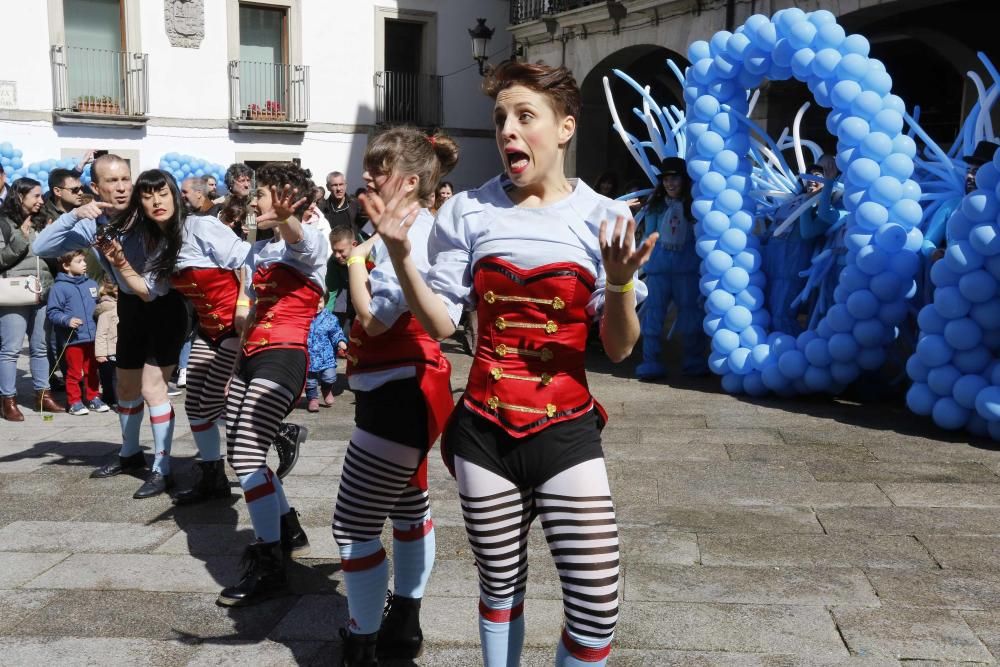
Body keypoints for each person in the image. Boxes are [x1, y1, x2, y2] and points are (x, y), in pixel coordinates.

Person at [358, 61, 653, 667]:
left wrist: (621, 286)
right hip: (484, 429)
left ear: (565, 128)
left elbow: (619, 347)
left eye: (525, 117)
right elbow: (441, 324)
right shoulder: (469, 211)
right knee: (499, 588)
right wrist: (399, 255)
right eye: (500, 119)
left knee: (597, 605)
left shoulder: (605, 217)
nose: (508, 131)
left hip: (566, 427)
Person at [333, 127, 458, 664]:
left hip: (398, 388)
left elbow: (373, 318)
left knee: (353, 523)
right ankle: (403, 624)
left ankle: (362, 640)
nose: (367, 177)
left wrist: (357, 263)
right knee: (409, 506)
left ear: (408, 182)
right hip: (411, 388)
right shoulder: (417, 226)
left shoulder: (402, 235)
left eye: (378, 169)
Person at [33, 159, 186, 499]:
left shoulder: (147, 213)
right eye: (112, 181)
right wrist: (75, 215)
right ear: (96, 188)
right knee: (126, 385)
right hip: (130, 307)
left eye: (125, 179)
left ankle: (163, 468)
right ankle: (130, 454)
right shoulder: (94, 223)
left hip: (164, 304)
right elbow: (40, 248)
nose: (121, 187)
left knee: (153, 388)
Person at [216, 162, 325, 607]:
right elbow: (251, 312)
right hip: (251, 356)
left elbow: (301, 241)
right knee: (241, 451)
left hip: (284, 356)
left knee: (244, 455)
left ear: (287, 200)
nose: (253, 200)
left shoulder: (310, 239)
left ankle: (269, 563)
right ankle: (287, 526)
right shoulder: (260, 250)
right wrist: (232, 368)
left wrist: (287, 218)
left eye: (262, 195)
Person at [635, 157, 705, 379]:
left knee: (690, 314)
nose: (670, 183)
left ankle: (693, 361)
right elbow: (649, 235)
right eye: (666, 179)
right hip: (660, 268)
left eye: (674, 177)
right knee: (654, 315)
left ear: (684, 180)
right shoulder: (656, 205)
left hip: (687, 268)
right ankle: (650, 361)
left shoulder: (695, 206)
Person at [0, 178, 64, 421]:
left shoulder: (41, 221)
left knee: (40, 347)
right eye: (35, 196)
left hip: (42, 291)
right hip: (13, 294)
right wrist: (21, 238)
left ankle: (43, 395)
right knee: (11, 350)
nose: (40, 201)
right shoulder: (3, 223)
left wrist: (54, 240)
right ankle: (8, 400)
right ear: (20, 197)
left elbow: (50, 257)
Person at [763, 162, 836, 334]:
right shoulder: (790, 203)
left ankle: (788, 355)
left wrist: (810, 202)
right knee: (764, 314)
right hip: (768, 266)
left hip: (790, 269)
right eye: (810, 176)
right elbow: (771, 232)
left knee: (781, 316)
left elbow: (807, 232)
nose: (812, 180)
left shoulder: (826, 209)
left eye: (819, 177)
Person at [46, 249, 107, 415]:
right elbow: (53, 312)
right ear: (66, 266)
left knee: (92, 370)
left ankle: (93, 397)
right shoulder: (58, 288)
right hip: (72, 339)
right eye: (79, 261)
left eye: (84, 260)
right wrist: (67, 320)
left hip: (92, 337)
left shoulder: (91, 284)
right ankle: (74, 401)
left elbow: (98, 305)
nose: (84, 264)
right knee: (74, 372)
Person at [304, 297, 347, 412]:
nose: (317, 306)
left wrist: (340, 341)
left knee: (330, 376)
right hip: (308, 356)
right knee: (310, 381)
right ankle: (313, 399)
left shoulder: (330, 318)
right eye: (312, 302)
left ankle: (326, 389)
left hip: (326, 356)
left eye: (320, 302)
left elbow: (336, 333)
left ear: (325, 301)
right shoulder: (303, 318)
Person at [325, 225, 359, 330]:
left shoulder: (369, 260)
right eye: (334, 251)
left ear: (354, 245)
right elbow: (332, 291)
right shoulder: (334, 262)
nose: (337, 255)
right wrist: (326, 318)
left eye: (341, 251)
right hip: (343, 292)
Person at [94, 279, 118, 409]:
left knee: (114, 377)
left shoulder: (121, 305)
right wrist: (100, 353)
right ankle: (117, 400)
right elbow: (101, 334)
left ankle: (113, 398)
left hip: (121, 348)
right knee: (113, 377)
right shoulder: (107, 309)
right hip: (111, 349)